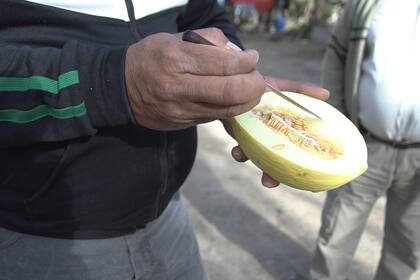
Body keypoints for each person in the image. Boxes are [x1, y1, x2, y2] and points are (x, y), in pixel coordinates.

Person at [0, 1, 328, 279]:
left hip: (171, 223)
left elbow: (204, 18)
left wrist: (230, 74)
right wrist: (113, 83)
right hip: (44, 243)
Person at [310, 0, 420, 279]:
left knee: (408, 245)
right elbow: (337, 56)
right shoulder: (367, 5)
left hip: (417, 159)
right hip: (364, 146)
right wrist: (338, 125)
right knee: (337, 233)